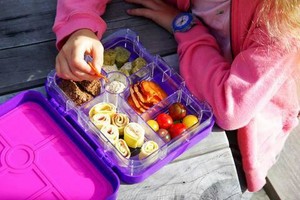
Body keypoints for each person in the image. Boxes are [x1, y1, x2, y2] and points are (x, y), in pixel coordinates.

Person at [52, 0, 300, 193]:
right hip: (184, 68)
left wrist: (184, 26)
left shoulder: (283, 22)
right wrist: (80, 27)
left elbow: (230, 107)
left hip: (243, 131)